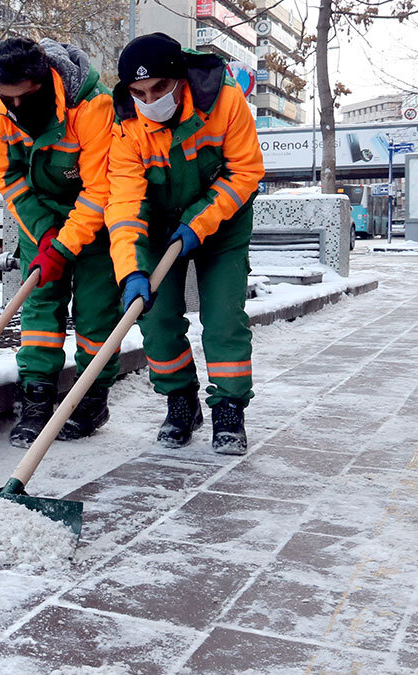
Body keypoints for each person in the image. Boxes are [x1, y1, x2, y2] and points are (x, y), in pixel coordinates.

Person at [105, 33, 265, 454]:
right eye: (138, 92)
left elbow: (245, 172)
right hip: (159, 226)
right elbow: (122, 203)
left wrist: (201, 220)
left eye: (159, 87)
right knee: (154, 319)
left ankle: (229, 407)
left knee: (223, 315)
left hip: (224, 219)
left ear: (180, 80)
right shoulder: (124, 125)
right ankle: (181, 401)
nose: (149, 99)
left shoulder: (224, 99)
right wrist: (131, 269)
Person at [0, 36, 124, 448]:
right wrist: (44, 234)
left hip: (93, 222)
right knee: (40, 306)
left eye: (25, 97)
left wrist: (65, 246)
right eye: (8, 98)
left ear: (44, 82)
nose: (16, 107)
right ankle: (37, 397)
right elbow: (8, 177)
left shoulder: (91, 107)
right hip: (40, 218)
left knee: (97, 315)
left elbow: (99, 189)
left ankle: (90, 398)